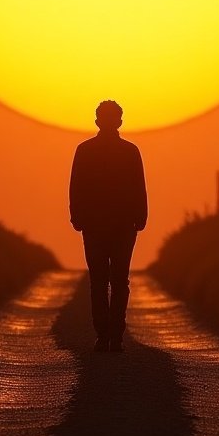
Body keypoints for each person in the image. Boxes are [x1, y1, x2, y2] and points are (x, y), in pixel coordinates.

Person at [69, 100, 147, 352]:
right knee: (118, 279)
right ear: (120, 121)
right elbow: (139, 187)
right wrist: (141, 216)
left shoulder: (85, 150)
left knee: (100, 280)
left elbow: (75, 187)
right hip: (120, 224)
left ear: (97, 121)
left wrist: (77, 216)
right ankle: (113, 335)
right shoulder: (129, 151)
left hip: (99, 224)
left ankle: (105, 335)